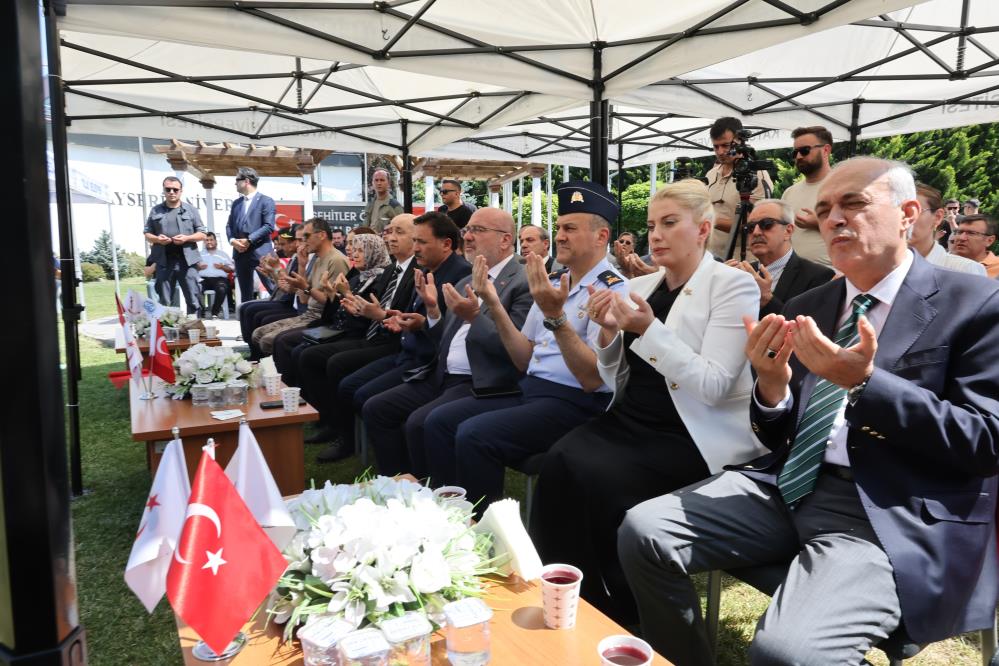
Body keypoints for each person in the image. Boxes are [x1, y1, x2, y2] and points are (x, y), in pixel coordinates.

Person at [617, 157, 999, 666]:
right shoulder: (813, 303)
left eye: (854, 203)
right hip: (788, 484)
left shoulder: (976, 302)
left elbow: (986, 441)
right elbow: (780, 430)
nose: (834, 219)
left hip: (883, 507)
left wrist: (866, 384)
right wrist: (771, 388)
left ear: (908, 214)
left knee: (785, 655)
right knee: (644, 530)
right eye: (823, 210)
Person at [531, 179, 764, 626]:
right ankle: (565, 593)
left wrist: (646, 329)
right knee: (559, 462)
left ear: (703, 229)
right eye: (653, 225)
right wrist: (607, 332)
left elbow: (714, 386)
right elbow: (613, 375)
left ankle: (621, 612)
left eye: (670, 223)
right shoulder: (643, 283)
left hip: (691, 433)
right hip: (631, 418)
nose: (655, 235)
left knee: (599, 481)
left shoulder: (732, 285)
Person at [421, 181, 630, 513]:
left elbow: (592, 379)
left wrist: (555, 315)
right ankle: (447, 516)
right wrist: (492, 303)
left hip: (574, 402)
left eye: (570, 229)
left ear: (601, 236)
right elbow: (523, 358)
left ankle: (484, 531)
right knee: (440, 421)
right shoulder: (552, 281)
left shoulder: (613, 290)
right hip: (530, 389)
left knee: (475, 434)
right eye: (559, 228)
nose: (559, 236)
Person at [362, 208, 533, 477]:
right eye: (467, 230)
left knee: (422, 422)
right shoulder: (467, 280)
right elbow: (444, 340)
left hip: (481, 380)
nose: (468, 236)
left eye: (478, 230)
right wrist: (432, 312)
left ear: (505, 239)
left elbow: (514, 350)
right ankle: (400, 485)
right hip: (442, 374)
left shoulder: (523, 282)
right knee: (377, 408)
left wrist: (475, 318)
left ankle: (440, 494)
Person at [307, 212, 470, 463]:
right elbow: (406, 314)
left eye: (420, 241)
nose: (415, 247)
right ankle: (363, 446)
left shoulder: (459, 274)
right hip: (406, 350)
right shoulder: (421, 268)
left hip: (426, 363)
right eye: (413, 240)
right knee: (348, 383)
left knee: (369, 399)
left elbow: (452, 331)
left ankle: (395, 469)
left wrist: (406, 320)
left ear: (446, 244)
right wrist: (390, 317)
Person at [297, 214, 418, 448]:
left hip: (391, 342)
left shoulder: (411, 271)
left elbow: (394, 315)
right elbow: (366, 310)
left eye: (399, 232)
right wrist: (352, 304)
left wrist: (355, 304)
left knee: (333, 362)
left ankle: (344, 435)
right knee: (307, 352)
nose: (391, 238)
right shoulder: (392, 269)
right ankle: (328, 421)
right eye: (389, 232)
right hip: (373, 334)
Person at [274, 233, 391, 385]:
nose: (354, 254)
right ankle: (296, 393)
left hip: (355, 334)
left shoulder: (381, 280)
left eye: (361, 250)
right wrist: (332, 293)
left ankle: (312, 397)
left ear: (375, 252)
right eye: (354, 249)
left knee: (305, 353)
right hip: (339, 327)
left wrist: (345, 293)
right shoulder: (358, 277)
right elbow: (337, 311)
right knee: (294, 346)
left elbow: (363, 320)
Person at [250, 218, 349, 356]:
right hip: (309, 314)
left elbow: (334, 303)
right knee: (258, 334)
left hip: (324, 319)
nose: (304, 241)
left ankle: (280, 369)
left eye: (307, 236)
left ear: (322, 235)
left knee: (268, 340)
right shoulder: (318, 258)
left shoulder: (336, 260)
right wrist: (302, 266)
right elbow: (303, 299)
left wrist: (306, 287)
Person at [725, 199, 834, 317]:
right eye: (750, 227)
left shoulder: (818, 276)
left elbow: (811, 325)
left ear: (788, 231)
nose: (756, 232)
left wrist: (766, 299)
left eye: (766, 224)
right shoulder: (741, 273)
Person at [705, 117, 773, 260]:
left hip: (743, 260)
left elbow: (755, 224)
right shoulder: (710, 174)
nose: (720, 151)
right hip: (711, 256)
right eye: (716, 147)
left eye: (726, 145)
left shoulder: (756, 174)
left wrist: (710, 219)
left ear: (740, 141)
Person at [239, 224, 310, 349]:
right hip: (290, 302)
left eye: (283, 244)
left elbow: (291, 289)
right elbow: (285, 286)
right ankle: (253, 349)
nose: (279, 248)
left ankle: (257, 353)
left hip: (295, 307)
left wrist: (275, 270)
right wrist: (272, 272)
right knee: (245, 307)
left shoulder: (305, 259)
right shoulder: (297, 258)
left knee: (256, 314)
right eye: (298, 240)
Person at [143, 176, 206, 316]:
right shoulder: (156, 210)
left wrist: (187, 238)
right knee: (164, 301)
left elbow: (202, 234)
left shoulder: (191, 210)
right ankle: (167, 328)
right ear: (164, 191)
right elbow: (147, 234)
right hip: (164, 261)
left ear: (181, 191)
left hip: (188, 261)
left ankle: (193, 326)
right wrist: (158, 239)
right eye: (168, 189)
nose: (171, 192)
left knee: (193, 299)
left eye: (175, 189)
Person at [781, 126, 834, 266]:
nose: (799, 156)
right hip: (795, 274)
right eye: (795, 152)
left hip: (833, 274)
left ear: (826, 150)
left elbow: (858, 232)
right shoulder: (789, 192)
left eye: (805, 150)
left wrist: (819, 223)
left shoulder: (843, 187)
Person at [910, 184, 986, 276]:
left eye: (913, 211)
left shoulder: (965, 269)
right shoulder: (943, 221)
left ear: (937, 217)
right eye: (950, 208)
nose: (903, 219)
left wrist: (952, 221)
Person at [226, 166, 276, 304]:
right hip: (240, 253)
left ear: (246, 181)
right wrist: (232, 241)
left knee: (273, 288)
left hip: (261, 253)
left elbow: (269, 226)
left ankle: (283, 315)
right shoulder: (236, 203)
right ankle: (246, 317)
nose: (235, 183)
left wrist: (249, 240)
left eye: (237, 180)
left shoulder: (266, 201)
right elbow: (229, 225)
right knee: (245, 295)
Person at [196, 232, 235, 318]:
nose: (209, 242)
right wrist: (199, 267)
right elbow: (193, 269)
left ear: (215, 241)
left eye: (211, 240)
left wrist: (222, 267)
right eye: (207, 240)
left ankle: (215, 311)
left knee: (222, 288)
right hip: (203, 279)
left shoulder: (223, 254)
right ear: (204, 242)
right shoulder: (199, 254)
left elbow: (232, 268)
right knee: (196, 287)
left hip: (219, 279)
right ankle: (202, 311)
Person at [951, 214, 999, 278]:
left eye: (971, 233)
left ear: (989, 240)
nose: (961, 238)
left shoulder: (997, 269)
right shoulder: (943, 263)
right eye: (959, 232)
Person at [364, 169, 404, 233]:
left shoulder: (394, 205)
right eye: (376, 180)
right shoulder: (370, 203)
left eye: (382, 180)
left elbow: (402, 228)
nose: (379, 183)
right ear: (372, 183)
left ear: (388, 183)